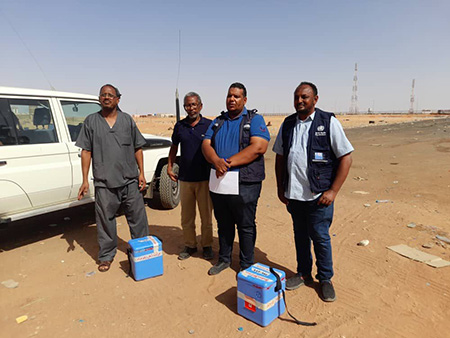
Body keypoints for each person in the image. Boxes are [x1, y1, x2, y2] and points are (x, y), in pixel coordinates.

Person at [273, 82, 353, 302]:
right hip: (294, 196)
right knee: (300, 237)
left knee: (320, 238)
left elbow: (346, 157)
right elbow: (280, 157)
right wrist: (281, 187)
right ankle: (303, 273)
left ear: (315, 99)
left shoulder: (328, 122)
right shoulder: (288, 124)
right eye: (297, 97)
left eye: (305, 97)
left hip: (319, 196)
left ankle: (325, 279)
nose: (300, 101)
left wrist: (333, 191)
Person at [76, 84, 149, 272]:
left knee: (138, 219)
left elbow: (137, 148)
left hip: (130, 181)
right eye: (103, 95)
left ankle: (142, 252)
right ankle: (106, 255)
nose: (106, 97)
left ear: (118, 99)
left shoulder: (127, 121)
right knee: (105, 220)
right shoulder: (91, 121)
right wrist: (85, 180)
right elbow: (86, 151)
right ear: (99, 99)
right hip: (104, 183)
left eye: (110, 95)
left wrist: (141, 173)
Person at [202, 82, 270, 275]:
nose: (232, 99)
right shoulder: (218, 121)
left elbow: (258, 147)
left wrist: (227, 163)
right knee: (223, 223)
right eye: (229, 96)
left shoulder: (255, 120)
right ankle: (224, 259)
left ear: (245, 100)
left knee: (245, 224)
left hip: (245, 182)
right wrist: (216, 160)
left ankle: (246, 264)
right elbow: (206, 144)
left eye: (236, 96)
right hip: (220, 182)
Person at [167, 92, 213, 260]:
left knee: (206, 216)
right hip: (185, 179)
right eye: (187, 105)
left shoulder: (209, 125)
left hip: (205, 178)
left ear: (200, 106)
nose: (191, 108)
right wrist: (170, 165)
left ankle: (207, 245)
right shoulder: (180, 126)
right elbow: (173, 147)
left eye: (194, 105)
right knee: (187, 216)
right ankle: (190, 245)